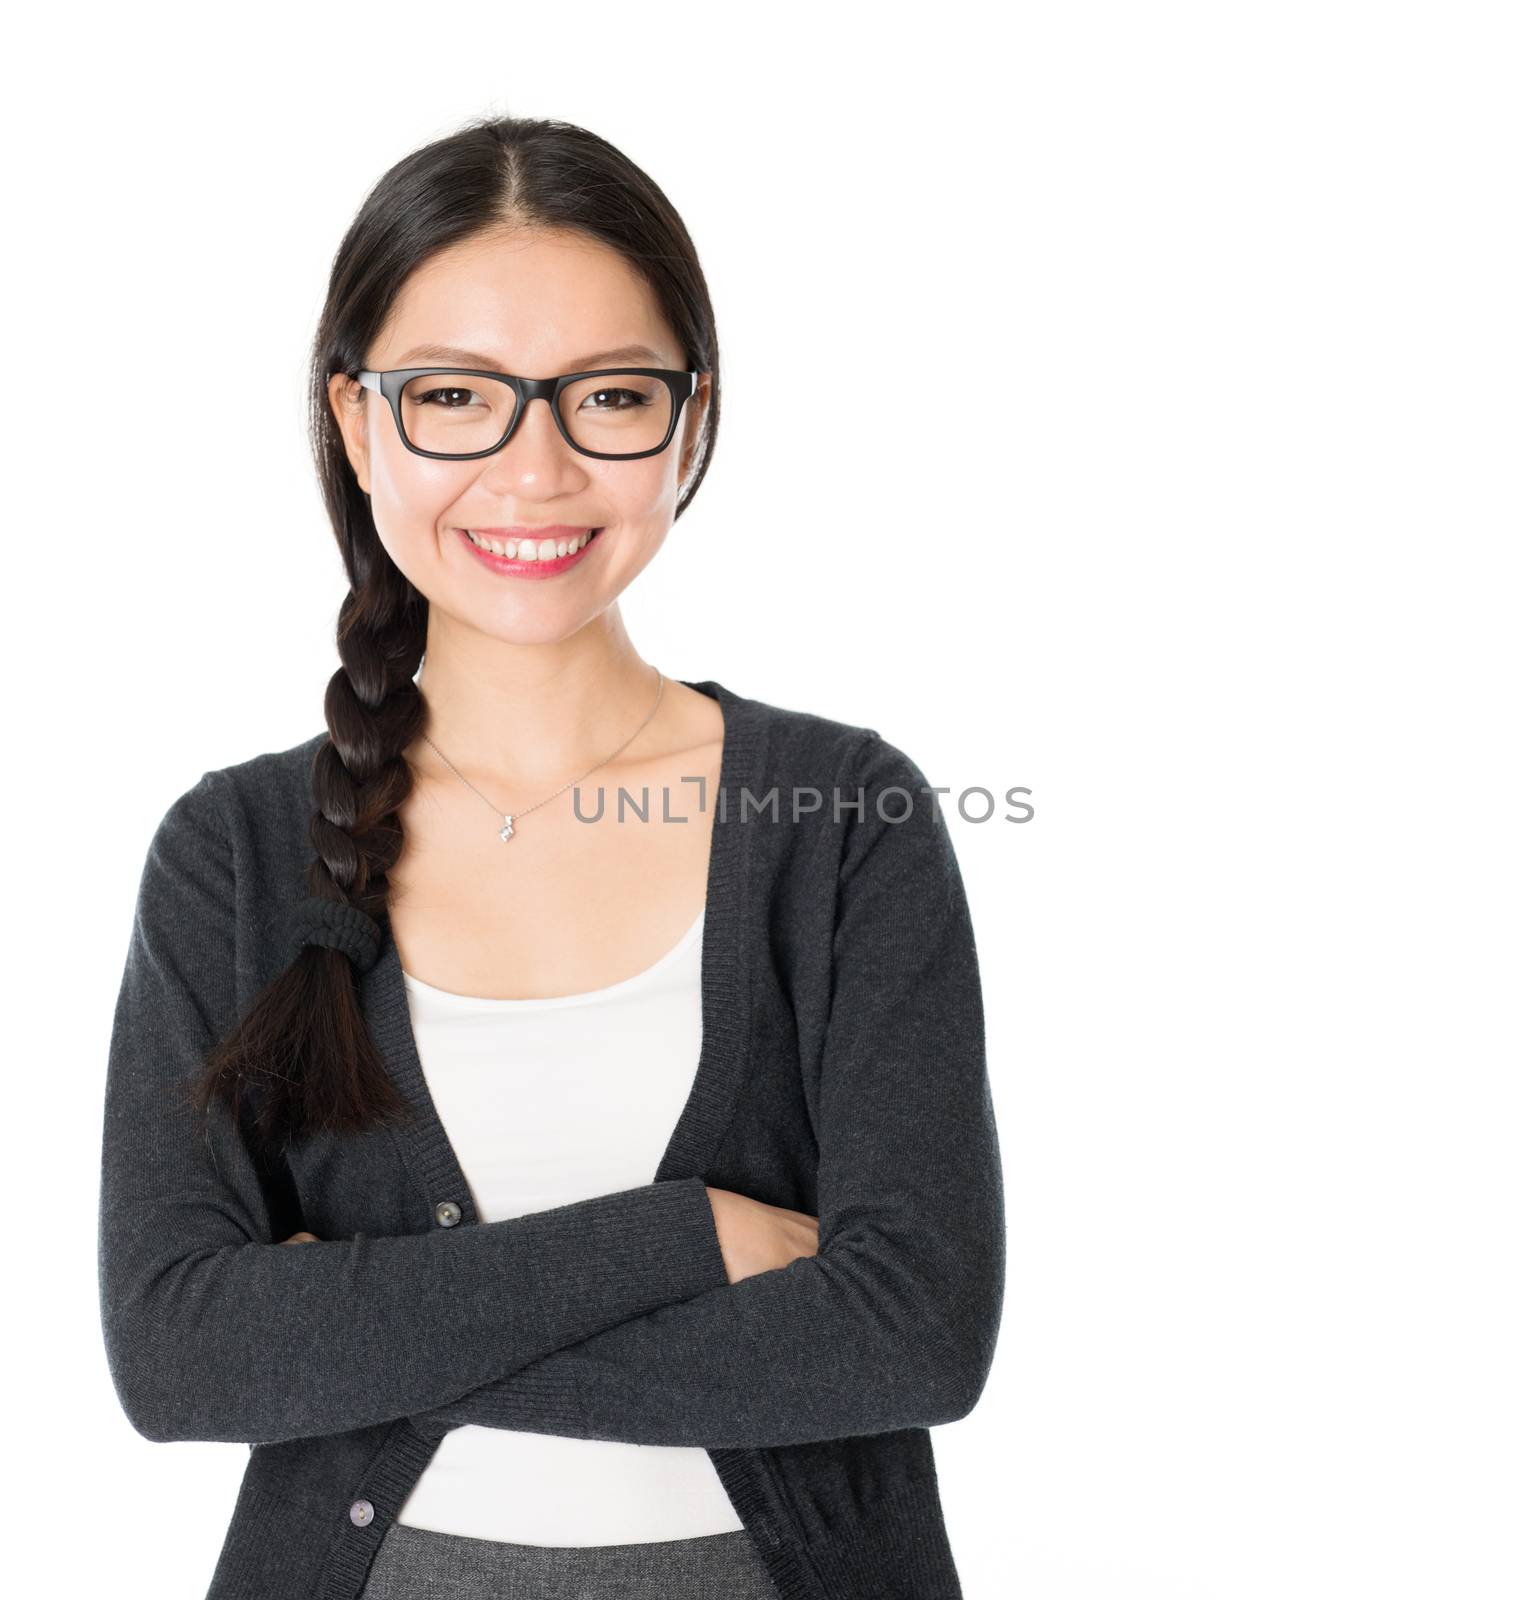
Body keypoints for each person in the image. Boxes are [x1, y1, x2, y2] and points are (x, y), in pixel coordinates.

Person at [98, 115, 1005, 1600]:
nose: (536, 469)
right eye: (456, 395)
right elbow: (181, 1354)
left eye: (609, 396)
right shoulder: (235, 855)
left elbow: (910, 1336)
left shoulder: (844, 820)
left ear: (691, 421)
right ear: (356, 416)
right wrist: (680, 1240)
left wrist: (343, 1330)